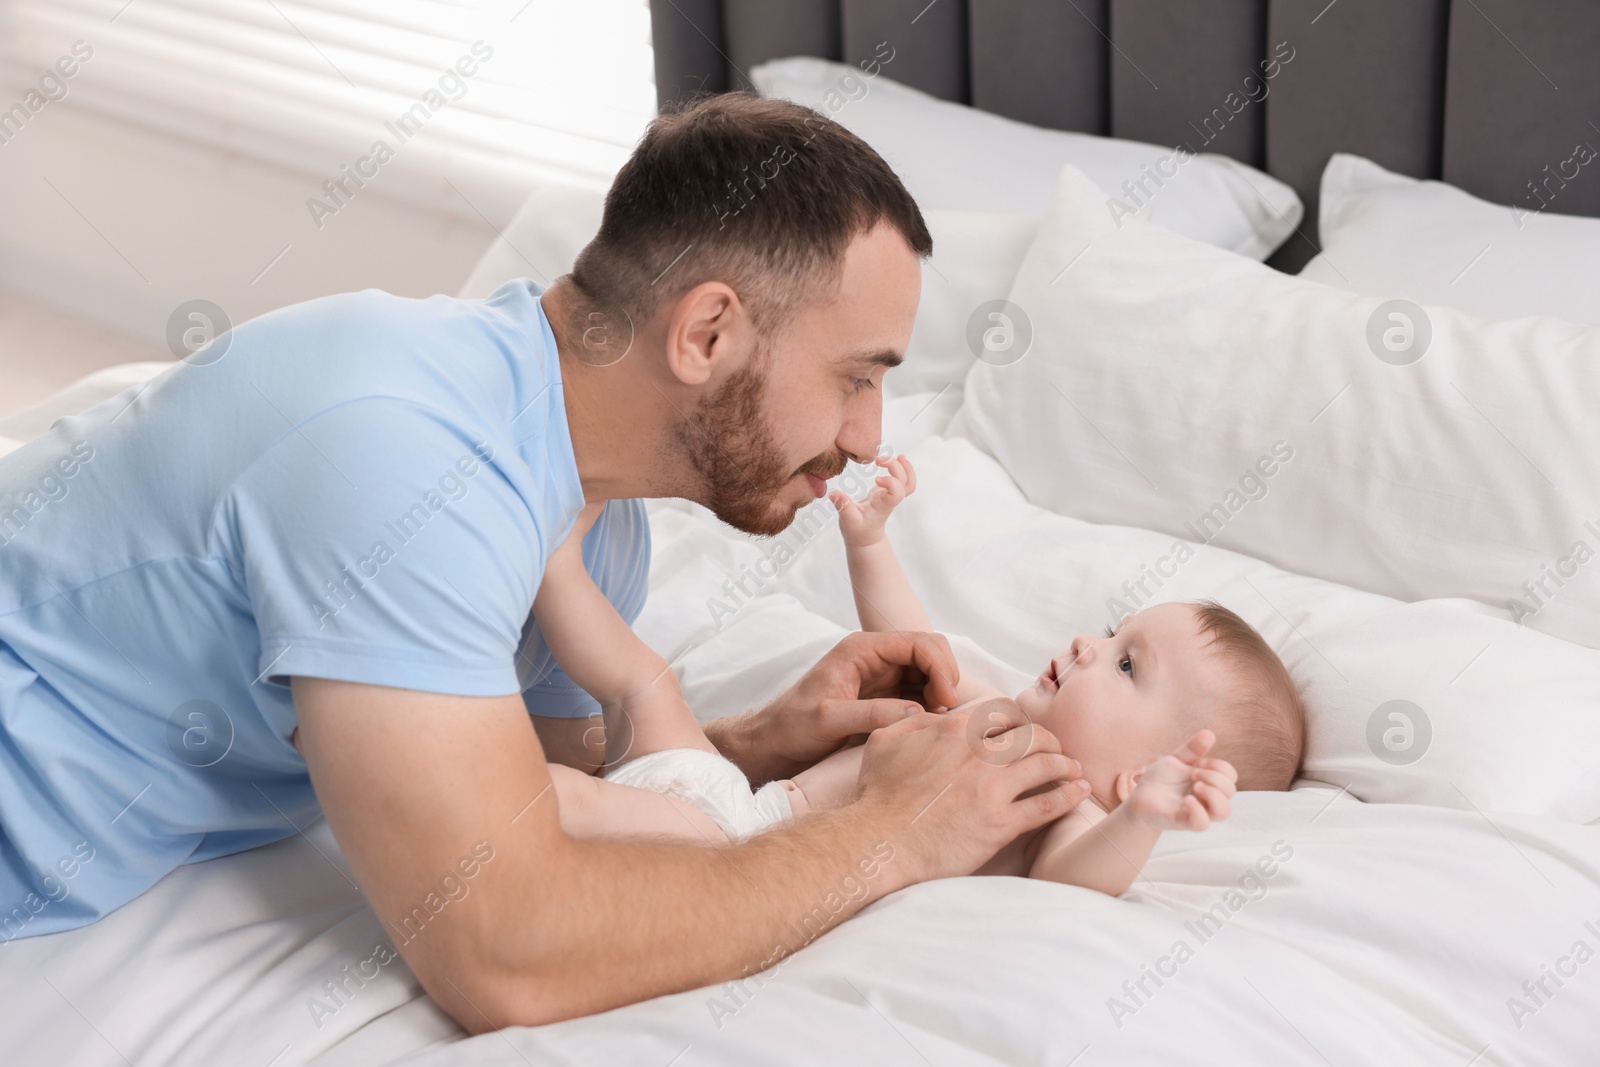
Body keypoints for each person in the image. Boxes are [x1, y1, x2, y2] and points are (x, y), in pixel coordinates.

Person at [0, 93, 1083, 1031]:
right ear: (706, 333)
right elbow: (505, 947)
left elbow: (536, 778)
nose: (866, 436)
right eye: (856, 375)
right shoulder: (406, 459)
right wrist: (889, 835)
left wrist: (754, 747)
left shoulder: (596, 516)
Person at [535, 454, 1304, 896]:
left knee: (559, 798)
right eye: (1111, 634)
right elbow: (910, 643)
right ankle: (553, 562)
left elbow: (1076, 881)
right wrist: (869, 540)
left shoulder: (1055, 795)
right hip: (733, 796)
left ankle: (483, 807)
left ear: (1134, 775)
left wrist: (1141, 820)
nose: (1085, 644)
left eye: (1127, 662)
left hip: (736, 844)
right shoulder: (996, 709)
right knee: (647, 682)